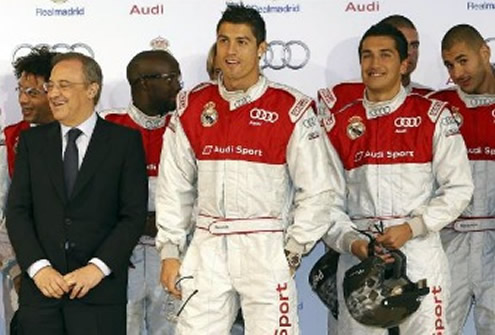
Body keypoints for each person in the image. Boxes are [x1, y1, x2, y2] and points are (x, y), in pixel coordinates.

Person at [155, 4, 340, 334]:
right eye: (224, 40)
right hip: (207, 244)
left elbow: (318, 189)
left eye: (242, 42)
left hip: (265, 246)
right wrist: (170, 250)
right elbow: (174, 185)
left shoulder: (290, 107)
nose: (231, 51)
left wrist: (293, 250)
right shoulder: (192, 104)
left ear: (261, 49)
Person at [320, 23, 473, 334]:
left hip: (419, 256)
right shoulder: (338, 123)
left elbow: (458, 189)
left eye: (385, 55)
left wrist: (411, 228)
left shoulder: (433, 116)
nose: (375, 64)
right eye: (367, 56)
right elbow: (323, 201)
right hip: (359, 261)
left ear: (404, 64)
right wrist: (353, 243)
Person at [6, 52, 148, 335]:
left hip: (99, 296)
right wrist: (38, 268)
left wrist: (97, 268)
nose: (54, 93)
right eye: (51, 86)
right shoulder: (32, 143)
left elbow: (132, 216)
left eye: (64, 85)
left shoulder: (124, 142)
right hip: (41, 296)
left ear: (92, 89)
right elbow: (18, 212)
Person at [100, 48, 182, 335]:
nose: (179, 85)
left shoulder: (184, 126)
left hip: (172, 256)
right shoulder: (106, 125)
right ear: (144, 82)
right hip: (121, 257)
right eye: (170, 78)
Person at [428, 24, 495, 335]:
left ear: (485, 52)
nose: (456, 72)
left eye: (462, 60)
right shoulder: (436, 108)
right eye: (449, 65)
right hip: (448, 242)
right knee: (435, 329)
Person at [0, 46, 57, 334]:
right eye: (20, 90)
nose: (22, 99)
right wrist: (17, 270)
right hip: (22, 271)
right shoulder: (9, 141)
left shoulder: (85, 138)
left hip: (77, 273)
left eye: (33, 92)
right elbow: (3, 216)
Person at [318, 14, 431, 129]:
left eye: (414, 46)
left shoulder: (430, 98)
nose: (409, 52)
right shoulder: (340, 96)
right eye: (402, 44)